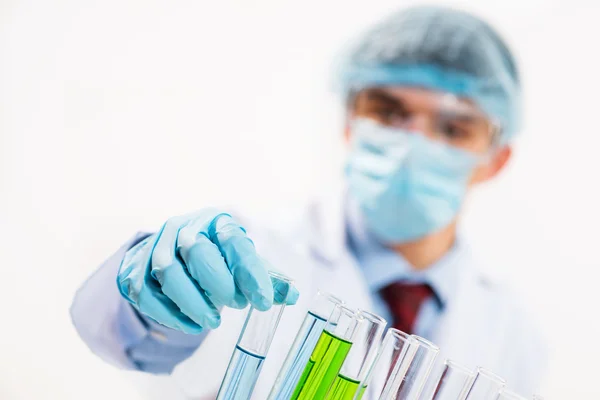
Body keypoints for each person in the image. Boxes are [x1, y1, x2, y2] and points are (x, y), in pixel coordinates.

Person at [70, 5, 547, 399]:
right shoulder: (247, 254)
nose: (413, 141)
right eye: (388, 111)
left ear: (496, 160)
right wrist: (148, 299)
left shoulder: (513, 333)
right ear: (348, 122)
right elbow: (119, 337)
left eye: (452, 127)